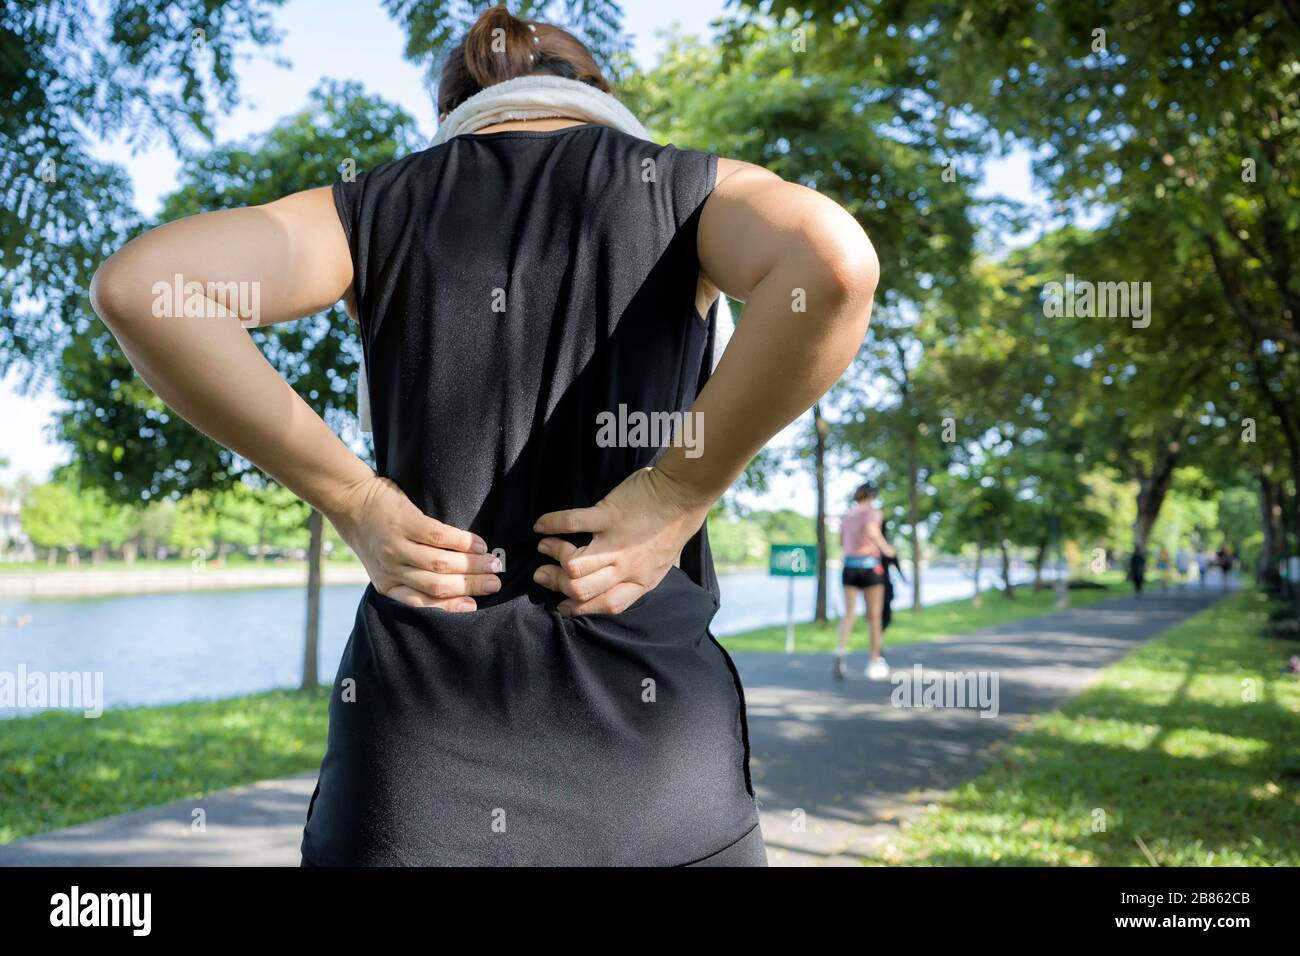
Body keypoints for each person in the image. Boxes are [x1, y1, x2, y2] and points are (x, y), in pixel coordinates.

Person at [89, 6, 879, 866]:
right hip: (658, 780)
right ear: (595, 93)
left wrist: (351, 500)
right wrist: (676, 492)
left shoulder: (375, 206)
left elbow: (144, 286)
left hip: (412, 782)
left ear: (454, 110)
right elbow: (835, 262)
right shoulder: (687, 189)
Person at [834, 483, 896, 680]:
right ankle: (874, 661)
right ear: (871, 497)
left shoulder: (846, 516)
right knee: (874, 616)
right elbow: (872, 531)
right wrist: (886, 549)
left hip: (849, 567)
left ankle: (840, 652)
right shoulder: (872, 513)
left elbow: (841, 543)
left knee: (849, 614)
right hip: (870, 567)